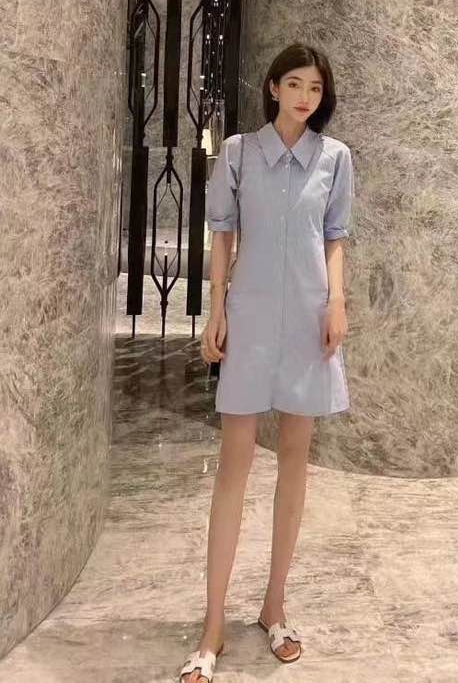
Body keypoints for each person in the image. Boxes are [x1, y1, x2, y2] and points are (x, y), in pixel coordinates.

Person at [178, 43, 355, 683]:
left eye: (316, 88)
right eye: (295, 84)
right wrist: (216, 310)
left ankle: (274, 606)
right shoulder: (238, 153)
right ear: (274, 87)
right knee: (234, 467)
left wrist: (336, 304)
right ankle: (212, 626)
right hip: (250, 318)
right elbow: (222, 233)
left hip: (309, 322)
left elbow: (334, 238)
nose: (306, 97)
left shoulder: (335, 158)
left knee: (295, 465)